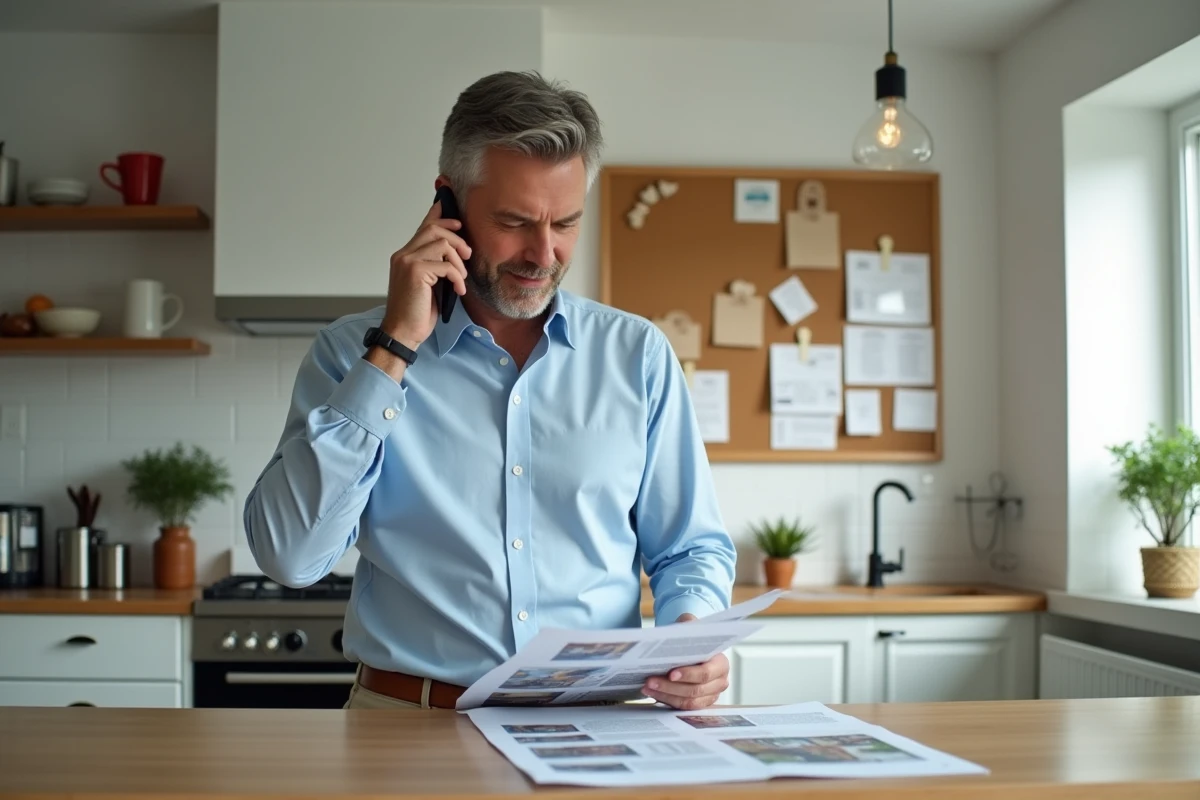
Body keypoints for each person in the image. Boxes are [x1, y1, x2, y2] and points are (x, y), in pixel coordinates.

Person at [243, 70, 737, 711]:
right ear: (447, 204)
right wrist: (393, 348)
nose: (544, 253)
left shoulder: (637, 355)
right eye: (514, 222)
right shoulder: (352, 353)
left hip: (594, 730)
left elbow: (690, 546)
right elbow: (290, 557)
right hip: (407, 726)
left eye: (565, 222)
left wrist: (691, 632)